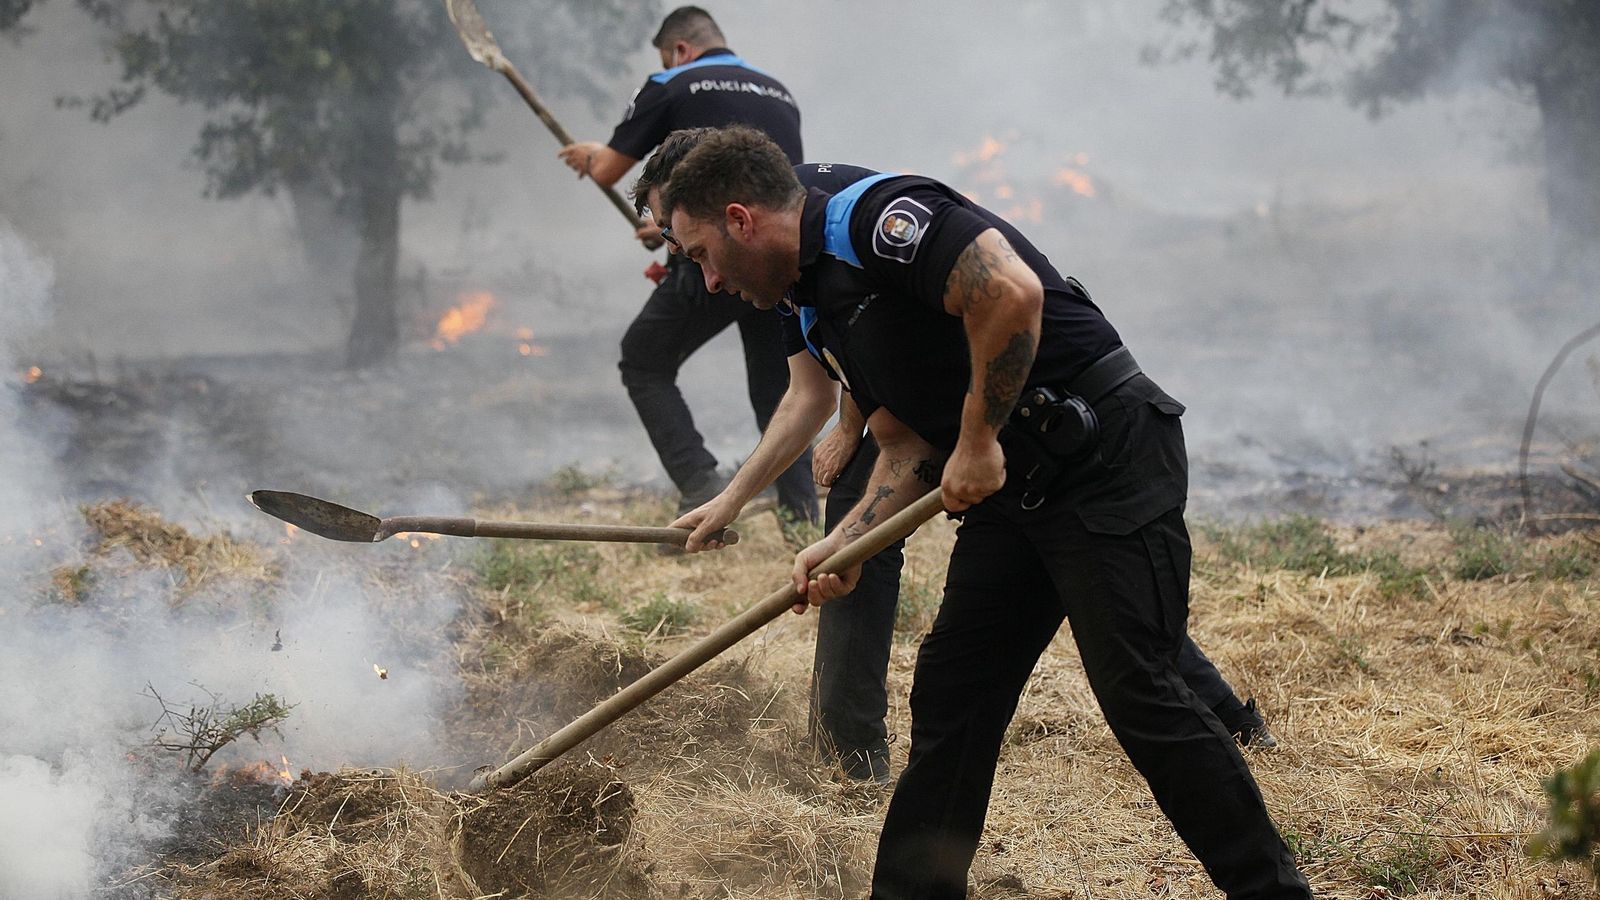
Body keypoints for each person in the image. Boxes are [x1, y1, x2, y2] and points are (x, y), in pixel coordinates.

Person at [653, 126, 1312, 898]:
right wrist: (848, 542)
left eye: (701, 254)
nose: (707, 281)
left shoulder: (876, 220)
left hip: (1104, 456)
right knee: (954, 694)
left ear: (740, 220)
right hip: (1016, 488)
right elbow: (902, 444)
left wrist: (976, 440)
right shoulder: (813, 302)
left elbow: (1009, 292)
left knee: (1140, 691)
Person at [556, 6, 817, 529]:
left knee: (643, 359)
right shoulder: (779, 93)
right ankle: (801, 519)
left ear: (679, 49)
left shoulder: (670, 84)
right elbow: (767, 185)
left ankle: (698, 480)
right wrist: (669, 227)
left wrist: (593, 155)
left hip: (713, 257)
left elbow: (608, 170)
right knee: (779, 388)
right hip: (772, 256)